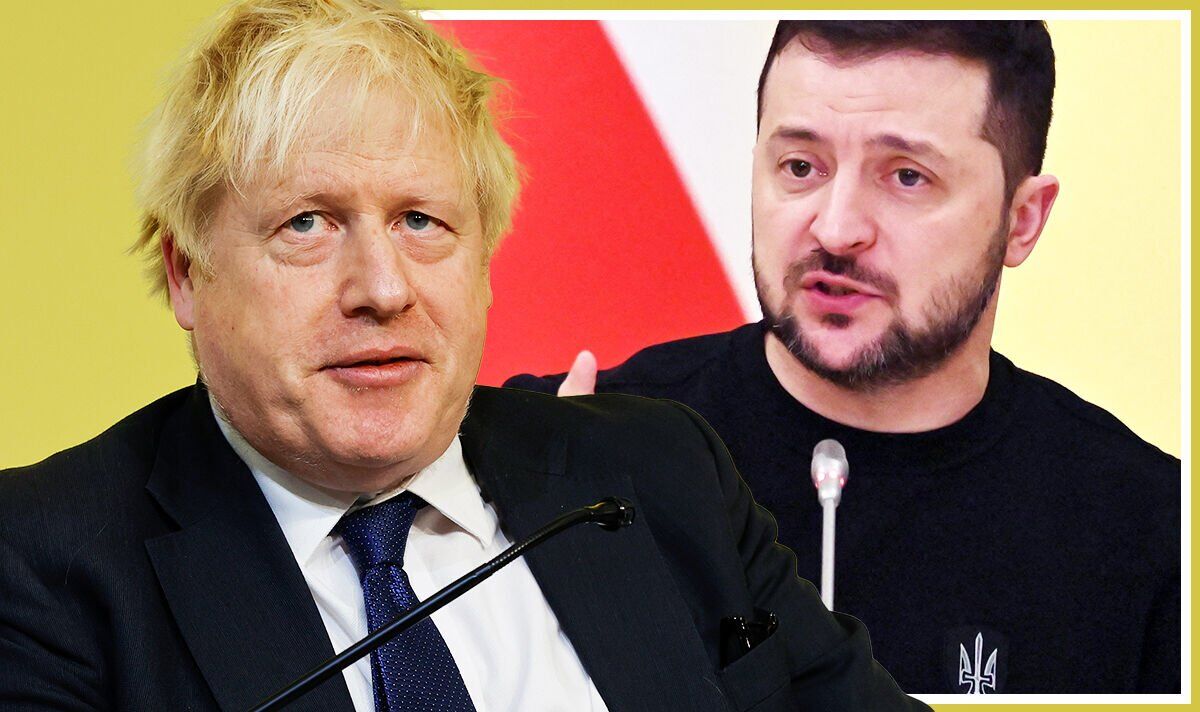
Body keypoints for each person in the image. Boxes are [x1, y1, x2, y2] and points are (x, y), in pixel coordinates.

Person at [0, 3, 928, 711]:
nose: (382, 288)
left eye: (421, 221)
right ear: (187, 272)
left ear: (484, 260)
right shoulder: (45, 564)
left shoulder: (660, 471)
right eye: (307, 224)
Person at [508, 21, 1180, 694]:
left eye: (907, 177)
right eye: (801, 167)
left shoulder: (1153, 532)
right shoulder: (557, 457)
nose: (835, 229)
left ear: (1022, 219)